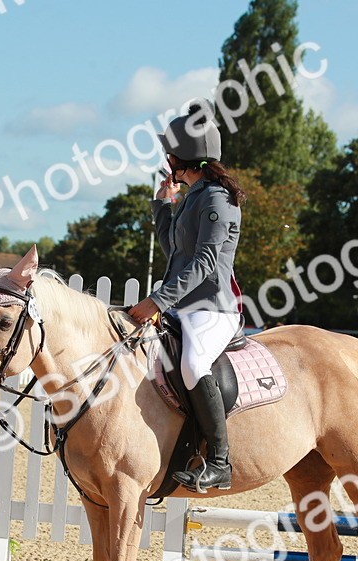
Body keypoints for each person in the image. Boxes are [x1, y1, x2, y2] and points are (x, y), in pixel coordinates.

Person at [127, 101, 244, 492]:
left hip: (213, 307)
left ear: (181, 158)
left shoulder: (216, 199)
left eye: (169, 157)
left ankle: (220, 461)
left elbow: (207, 261)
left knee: (193, 363)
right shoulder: (193, 196)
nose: (167, 161)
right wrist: (163, 204)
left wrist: (157, 301)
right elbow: (175, 254)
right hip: (183, 305)